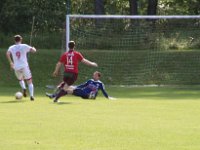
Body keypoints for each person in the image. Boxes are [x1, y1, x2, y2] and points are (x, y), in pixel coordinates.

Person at [46, 71, 116, 102]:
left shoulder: (100, 84)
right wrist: (76, 87)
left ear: (98, 76)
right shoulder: (90, 81)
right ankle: (54, 96)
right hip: (83, 93)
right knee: (68, 90)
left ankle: (54, 96)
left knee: (67, 89)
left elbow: (104, 92)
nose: (93, 76)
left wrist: (108, 97)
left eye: (95, 75)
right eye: (93, 75)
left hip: (87, 95)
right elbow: (82, 85)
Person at [6, 35, 36, 101]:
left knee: (20, 79)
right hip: (24, 66)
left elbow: (7, 54)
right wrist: (33, 48)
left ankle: (24, 88)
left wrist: (11, 62)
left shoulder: (11, 47)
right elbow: (34, 51)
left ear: (14, 40)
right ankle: (31, 96)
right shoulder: (24, 45)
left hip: (16, 67)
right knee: (29, 81)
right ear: (21, 39)